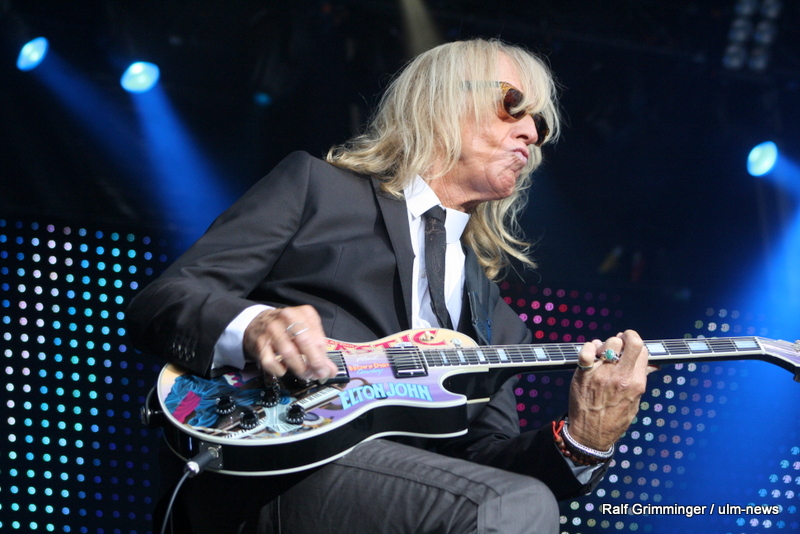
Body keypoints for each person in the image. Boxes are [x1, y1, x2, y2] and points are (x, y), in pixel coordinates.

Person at [127, 38, 651, 534]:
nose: (532, 133)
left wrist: (585, 439)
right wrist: (255, 326)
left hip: (395, 499)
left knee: (518, 502)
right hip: (272, 472)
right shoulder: (318, 190)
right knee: (515, 503)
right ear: (441, 101)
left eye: (540, 121)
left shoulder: (497, 319)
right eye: (514, 105)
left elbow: (486, 465)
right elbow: (165, 300)